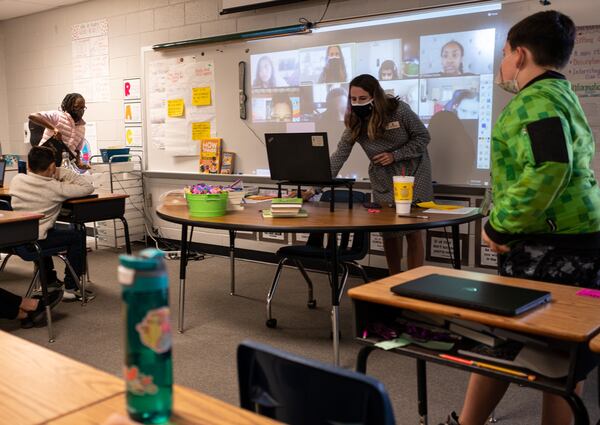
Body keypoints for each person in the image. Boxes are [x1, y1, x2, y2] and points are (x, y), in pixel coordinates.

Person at [442, 11, 600, 425]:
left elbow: (550, 168)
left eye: (505, 52)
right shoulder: (562, 95)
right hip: (573, 240)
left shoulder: (535, 101)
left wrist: (500, 223)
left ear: (521, 54)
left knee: (519, 348)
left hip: (549, 248)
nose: (502, 63)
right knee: (552, 356)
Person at [306, 74, 433, 272]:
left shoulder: (398, 110)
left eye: (362, 98)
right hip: (383, 179)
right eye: (353, 99)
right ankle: (393, 279)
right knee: (389, 232)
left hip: (413, 176)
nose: (357, 103)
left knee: (412, 231)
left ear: (375, 95)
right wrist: (314, 188)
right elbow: (339, 155)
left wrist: (396, 155)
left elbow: (423, 137)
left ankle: (415, 282)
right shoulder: (355, 121)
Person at [9, 146, 95, 301]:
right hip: (35, 242)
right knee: (77, 235)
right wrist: (62, 172)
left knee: (45, 230)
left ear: (29, 165)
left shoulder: (17, 180)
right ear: (52, 167)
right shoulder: (56, 188)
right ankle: (71, 287)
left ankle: (49, 281)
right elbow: (88, 187)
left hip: (16, 240)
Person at [29, 93, 89, 169]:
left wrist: (79, 163)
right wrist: (54, 128)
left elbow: (77, 151)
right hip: (41, 162)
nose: (81, 111)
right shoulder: (57, 116)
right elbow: (33, 116)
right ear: (69, 105)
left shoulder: (82, 128)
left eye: (83, 108)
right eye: (77, 107)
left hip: (60, 167)